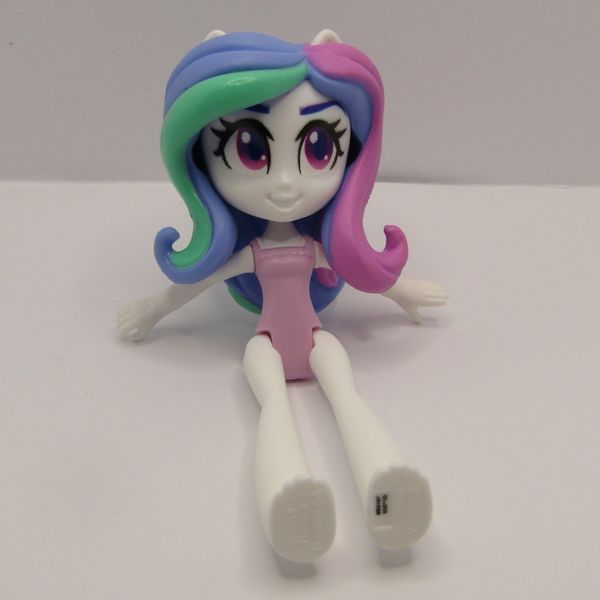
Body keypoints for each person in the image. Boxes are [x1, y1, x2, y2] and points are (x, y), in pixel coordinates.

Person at [117, 30, 447, 562]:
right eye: (250, 149)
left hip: (317, 338)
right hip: (266, 342)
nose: (287, 184)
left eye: (318, 148)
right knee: (273, 406)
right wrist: (154, 309)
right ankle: (290, 503)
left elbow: (358, 272)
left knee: (346, 396)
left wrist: (403, 293)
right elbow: (200, 282)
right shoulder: (251, 254)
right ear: (199, 157)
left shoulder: (318, 249)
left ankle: (388, 489)